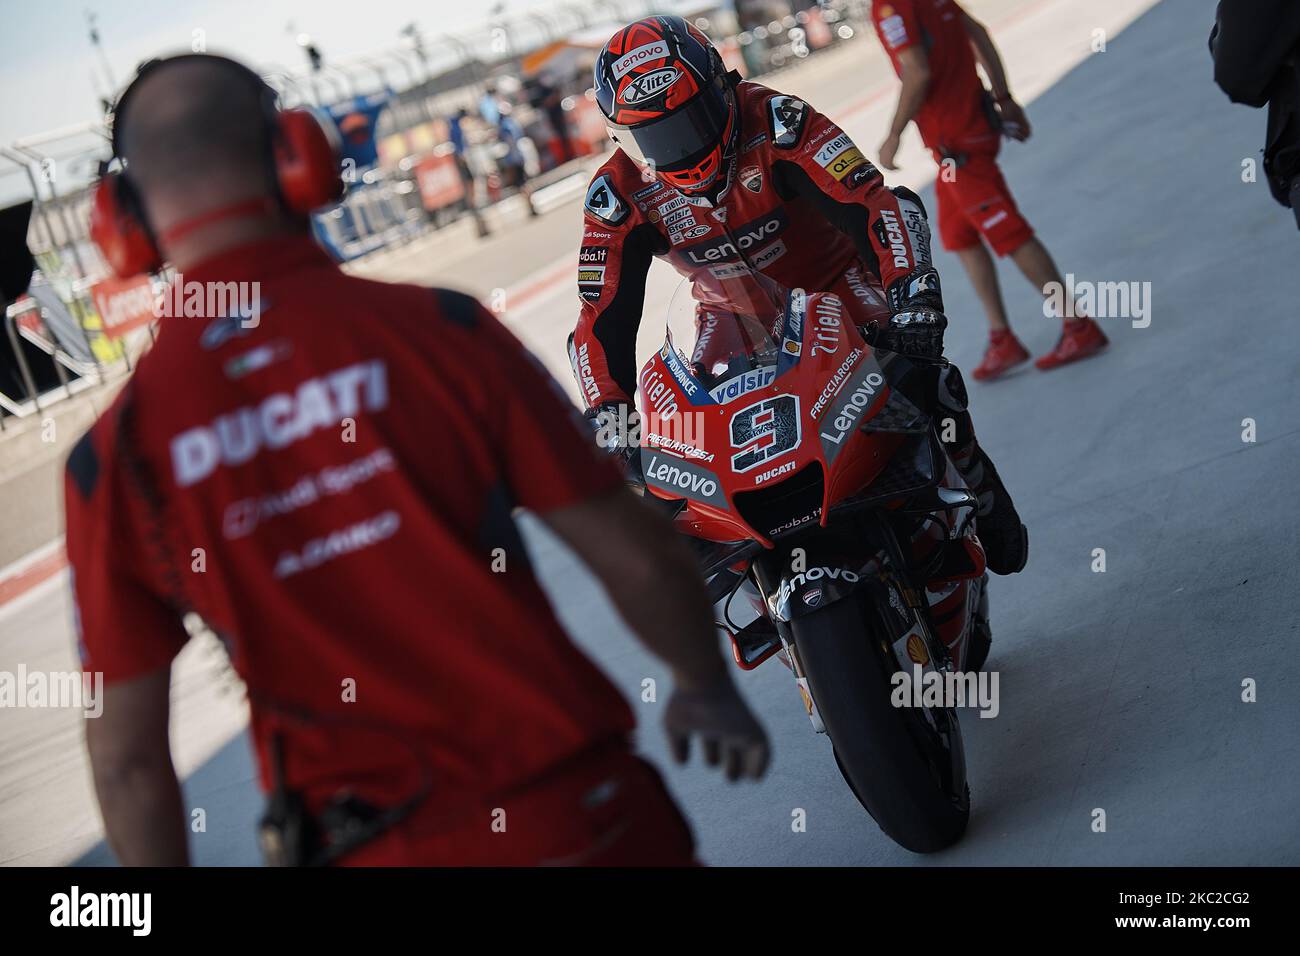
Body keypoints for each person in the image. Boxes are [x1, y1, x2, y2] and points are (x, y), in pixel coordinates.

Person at [70, 52, 768, 867]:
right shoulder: (442, 331)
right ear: (300, 155)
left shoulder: (112, 458)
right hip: (577, 818)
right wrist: (703, 684)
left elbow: (126, 765)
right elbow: (632, 551)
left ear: (120, 223)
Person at [568, 15, 1027, 575]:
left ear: (722, 87)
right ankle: (750, 560)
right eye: (655, 138)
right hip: (729, 316)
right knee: (666, 474)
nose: (681, 149)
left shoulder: (779, 121)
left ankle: (977, 487)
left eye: (693, 122)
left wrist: (913, 296)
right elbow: (599, 318)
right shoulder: (615, 193)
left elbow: (876, 205)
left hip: (838, 287)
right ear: (622, 139)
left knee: (924, 376)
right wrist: (609, 419)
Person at [870, 0, 1107, 379]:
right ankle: (1002, 338)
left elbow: (917, 70)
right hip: (959, 142)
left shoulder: (890, 7)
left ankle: (1078, 325)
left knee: (1009, 232)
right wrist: (1003, 97)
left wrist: (893, 135)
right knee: (959, 235)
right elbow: (976, 32)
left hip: (959, 147)